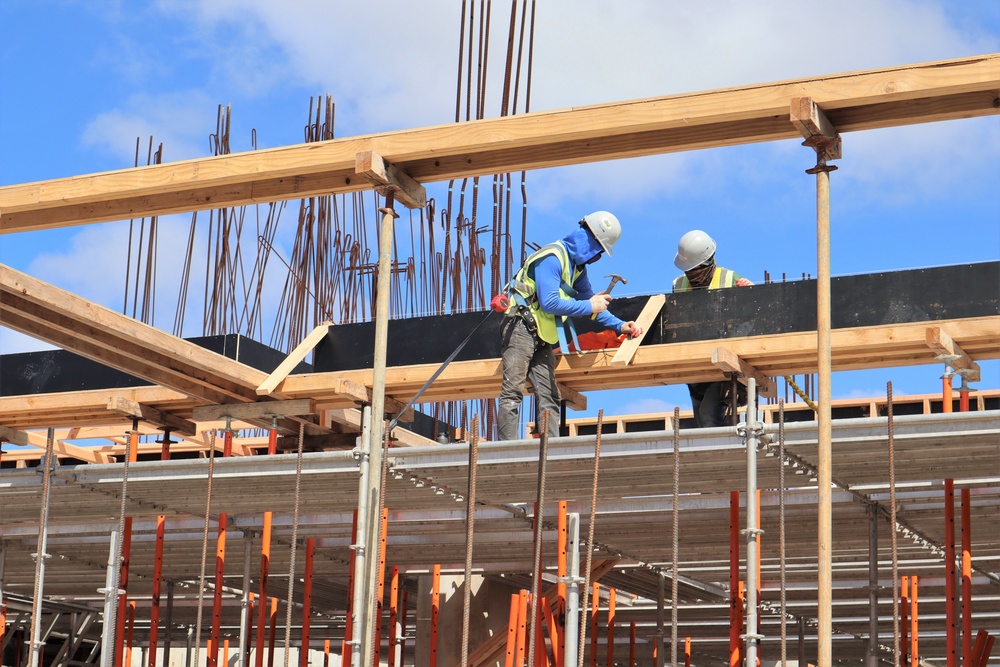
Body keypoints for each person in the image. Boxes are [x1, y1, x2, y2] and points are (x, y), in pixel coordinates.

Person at [498, 211, 643, 441]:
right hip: (520, 327)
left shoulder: (577, 270)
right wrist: (589, 305)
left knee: (549, 395)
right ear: (591, 242)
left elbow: (592, 306)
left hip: (541, 336)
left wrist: (620, 326)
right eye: (599, 252)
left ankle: (550, 450)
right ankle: (506, 451)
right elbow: (550, 302)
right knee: (513, 392)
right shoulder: (553, 258)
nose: (597, 258)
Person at [672, 229, 753, 428]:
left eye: (695, 270)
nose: (691, 275)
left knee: (709, 415)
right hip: (695, 361)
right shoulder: (678, 284)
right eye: (688, 270)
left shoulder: (729, 278)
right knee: (700, 418)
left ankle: (725, 454)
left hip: (722, 362)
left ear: (707, 263)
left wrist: (751, 292)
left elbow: (753, 314)